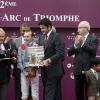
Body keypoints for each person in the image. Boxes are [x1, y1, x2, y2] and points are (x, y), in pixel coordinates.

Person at [68, 21, 98, 100]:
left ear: (87, 29)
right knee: (79, 94)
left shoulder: (94, 38)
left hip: (89, 70)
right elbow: (69, 53)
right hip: (78, 70)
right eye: (78, 28)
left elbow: (93, 51)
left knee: (90, 94)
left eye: (80, 28)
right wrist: (75, 45)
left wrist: (82, 43)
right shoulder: (77, 38)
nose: (78, 30)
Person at [37, 18, 65, 100]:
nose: (41, 30)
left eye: (43, 28)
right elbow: (39, 53)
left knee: (48, 95)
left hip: (54, 71)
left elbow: (60, 53)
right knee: (56, 95)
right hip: (44, 71)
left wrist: (49, 60)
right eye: (40, 28)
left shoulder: (57, 36)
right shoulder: (41, 38)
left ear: (49, 27)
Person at [17, 30, 39, 100]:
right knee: (24, 96)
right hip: (24, 73)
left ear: (32, 37)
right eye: (24, 37)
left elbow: (39, 61)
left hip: (34, 72)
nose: (26, 38)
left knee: (35, 96)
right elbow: (19, 61)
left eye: (27, 36)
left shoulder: (36, 46)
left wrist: (34, 70)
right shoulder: (21, 47)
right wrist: (24, 72)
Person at [13, 22, 31, 100]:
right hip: (19, 70)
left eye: (26, 31)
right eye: (23, 31)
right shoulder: (15, 41)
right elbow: (13, 54)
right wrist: (14, 57)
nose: (24, 33)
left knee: (29, 92)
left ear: (29, 31)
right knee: (18, 91)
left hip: (30, 70)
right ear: (20, 31)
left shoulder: (34, 41)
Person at [0, 28, 16, 100]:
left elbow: (9, 58)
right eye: (0, 36)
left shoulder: (6, 45)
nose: (1, 38)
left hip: (5, 78)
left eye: (3, 36)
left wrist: (13, 59)